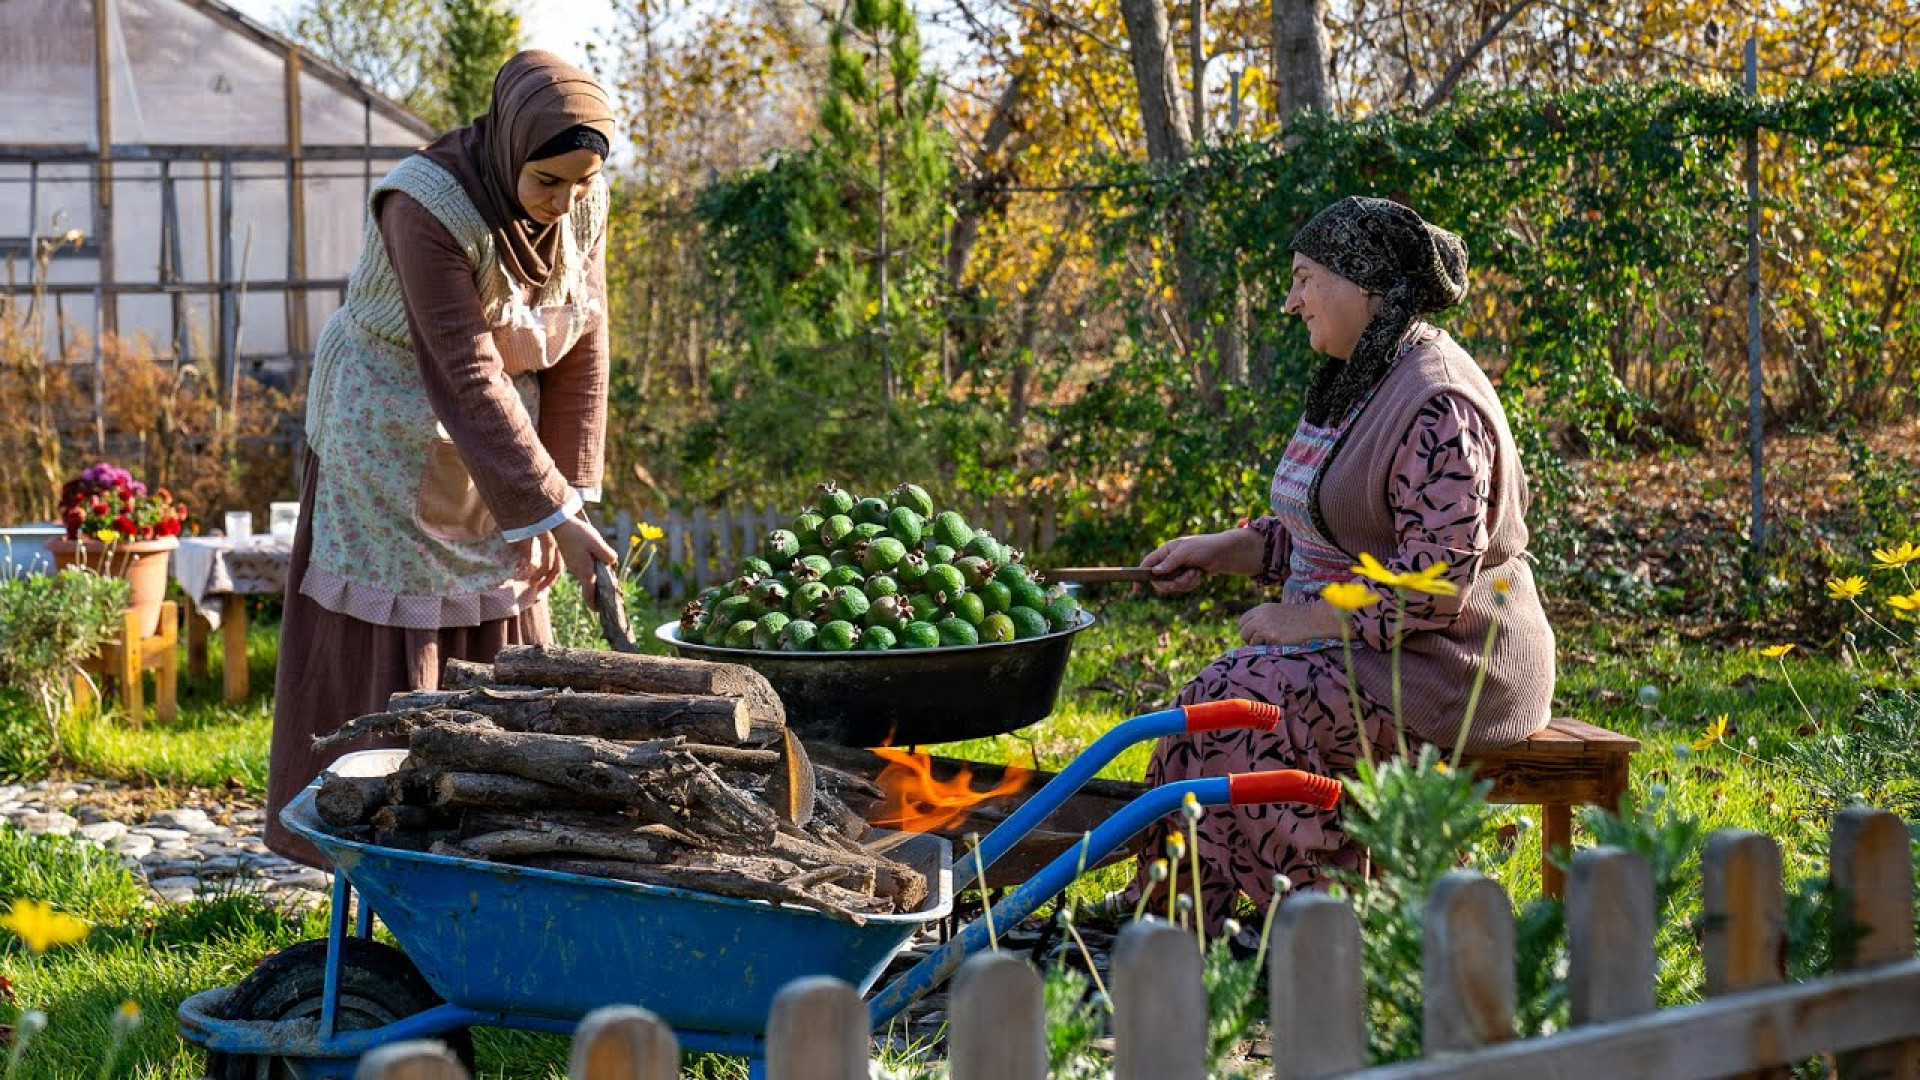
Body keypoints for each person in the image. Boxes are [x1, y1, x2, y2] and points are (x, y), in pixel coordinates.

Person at [1118, 196, 1555, 935]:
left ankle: (1344, 929)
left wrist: (1304, 620)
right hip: (1384, 651)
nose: (1291, 302)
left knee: (1251, 709)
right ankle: (1177, 920)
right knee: (1208, 704)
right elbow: (1336, 533)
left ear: (1363, 284)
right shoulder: (1364, 377)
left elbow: (1434, 584)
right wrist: (1224, 552)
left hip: (1455, 666)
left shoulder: (1436, 403)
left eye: (1302, 279)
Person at [266, 51, 621, 865]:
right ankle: (374, 844)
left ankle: (491, 838)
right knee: (396, 645)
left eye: (581, 182)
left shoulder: (584, 199)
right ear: (508, 147)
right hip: (387, 434)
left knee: (507, 606)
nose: (564, 203)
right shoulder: (422, 205)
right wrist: (544, 505)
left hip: (496, 433)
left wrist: (566, 498)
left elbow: (584, 344)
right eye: (548, 183)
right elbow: (463, 368)